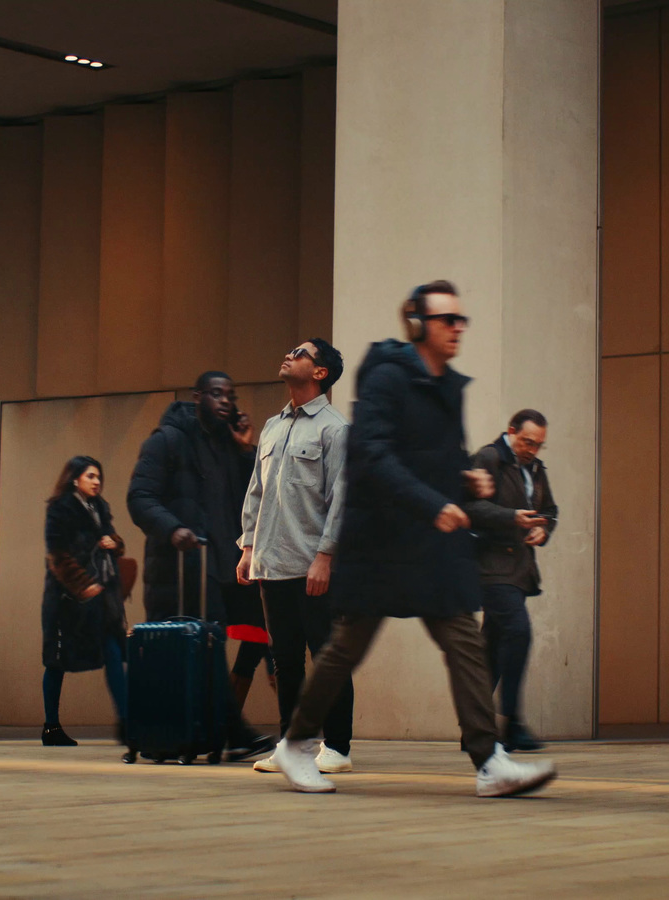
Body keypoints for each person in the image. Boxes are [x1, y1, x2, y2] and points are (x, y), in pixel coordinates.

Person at [269, 281, 556, 797]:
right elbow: (374, 455)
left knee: (464, 640)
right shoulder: (387, 377)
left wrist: (466, 483)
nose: (458, 329)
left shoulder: (446, 384)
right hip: (380, 542)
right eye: (448, 320)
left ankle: (488, 759)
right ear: (420, 325)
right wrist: (435, 503)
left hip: (430, 545)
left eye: (461, 320)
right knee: (343, 650)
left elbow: (435, 458)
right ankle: (295, 745)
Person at [127, 371, 276, 762]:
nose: (225, 401)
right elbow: (140, 497)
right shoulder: (169, 440)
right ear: (197, 398)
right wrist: (173, 529)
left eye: (231, 394)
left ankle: (215, 732)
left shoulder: (227, 445)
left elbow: (247, 500)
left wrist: (246, 451)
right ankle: (229, 732)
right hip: (179, 570)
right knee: (200, 653)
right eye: (216, 394)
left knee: (253, 634)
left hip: (223, 567)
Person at [237, 339, 356, 776]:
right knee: (284, 660)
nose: (288, 354)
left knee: (326, 656)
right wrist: (249, 546)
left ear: (320, 372)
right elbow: (256, 491)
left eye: (300, 352)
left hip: (313, 565)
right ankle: (293, 745)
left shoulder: (335, 429)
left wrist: (325, 556)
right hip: (272, 562)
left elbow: (341, 499)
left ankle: (338, 746)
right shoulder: (272, 426)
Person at [464, 409, 558, 752]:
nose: (532, 449)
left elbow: (550, 510)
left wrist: (542, 528)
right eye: (527, 441)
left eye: (538, 444)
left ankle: (473, 727)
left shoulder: (535, 467)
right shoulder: (489, 458)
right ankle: (512, 724)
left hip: (519, 568)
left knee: (491, 647)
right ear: (511, 431)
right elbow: (470, 507)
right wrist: (511, 518)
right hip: (490, 567)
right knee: (518, 632)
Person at [42, 455, 132, 761]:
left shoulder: (99, 507)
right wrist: (82, 585)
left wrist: (115, 543)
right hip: (67, 600)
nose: (96, 481)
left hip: (101, 600)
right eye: (90, 476)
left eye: (98, 477)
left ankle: (127, 721)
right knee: (56, 661)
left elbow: (113, 541)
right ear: (75, 478)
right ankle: (51, 726)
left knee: (114, 653)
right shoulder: (60, 508)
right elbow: (57, 555)